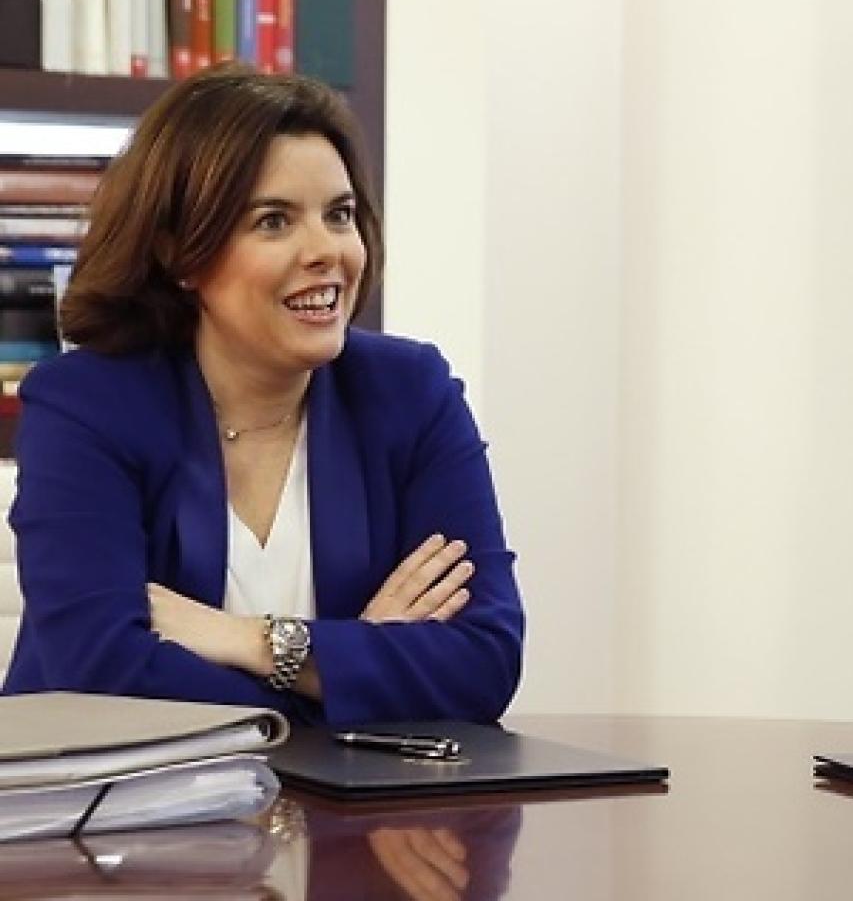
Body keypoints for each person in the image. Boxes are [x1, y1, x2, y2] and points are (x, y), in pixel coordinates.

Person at [1, 65, 524, 725]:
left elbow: (484, 664)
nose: (326, 251)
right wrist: (350, 666)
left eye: (340, 215)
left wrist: (257, 641)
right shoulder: (86, 407)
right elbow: (102, 670)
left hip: (348, 819)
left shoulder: (410, 394)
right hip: (105, 812)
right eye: (274, 221)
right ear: (181, 254)